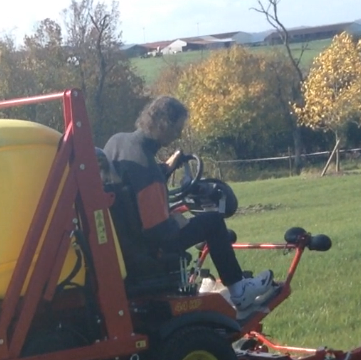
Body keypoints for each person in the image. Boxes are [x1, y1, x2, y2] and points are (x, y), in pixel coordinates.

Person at [103, 95, 274, 312]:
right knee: (212, 221)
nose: (179, 134)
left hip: (126, 243)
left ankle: (210, 280)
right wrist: (177, 222)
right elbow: (159, 232)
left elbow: (133, 183)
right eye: (177, 129)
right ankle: (239, 291)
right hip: (151, 249)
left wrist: (166, 168)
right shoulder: (148, 170)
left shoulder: (118, 143)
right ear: (163, 125)